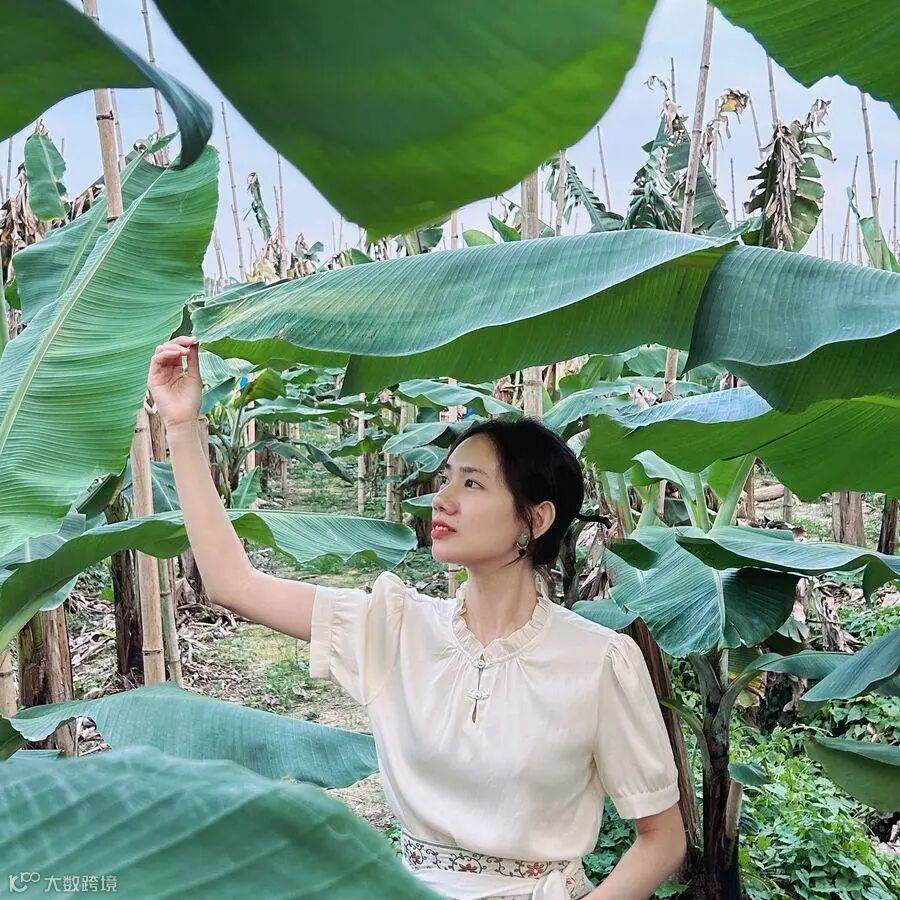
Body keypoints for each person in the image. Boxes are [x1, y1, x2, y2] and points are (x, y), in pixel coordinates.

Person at [149, 336, 687, 900]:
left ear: (535, 519)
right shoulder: (396, 627)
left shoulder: (599, 661)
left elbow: (661, 838)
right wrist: (182, 427)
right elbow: (233, 584)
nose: (442, 500)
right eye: (446, 479)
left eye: (472, 483)